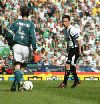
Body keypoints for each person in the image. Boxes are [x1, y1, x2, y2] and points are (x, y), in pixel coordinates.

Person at [6, 5, 36, 91]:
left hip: (17, 45)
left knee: (17, 66)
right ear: (29, 14)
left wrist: (11, 43)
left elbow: (9, 33)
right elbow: (33, 37)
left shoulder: (16, 22)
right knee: (23, 67)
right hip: (26, 47)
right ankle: (18, 84)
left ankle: (16, 83)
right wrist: (34, 47)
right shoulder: (31, 24)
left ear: (21, 13)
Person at [58, 15, 81, 88]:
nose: (64, 23)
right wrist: (68, 48)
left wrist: (79, 51)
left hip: (76, 48)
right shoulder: (65, 30)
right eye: (63, 21)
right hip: (71, 49)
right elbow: (68, 40)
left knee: (68, 65)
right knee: (71, 66)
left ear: (69, 22)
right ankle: (76, 80)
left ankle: (64, 83)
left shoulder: (72, 29)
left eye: (66, 21)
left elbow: (79, 40)